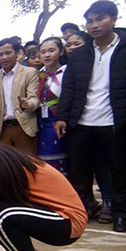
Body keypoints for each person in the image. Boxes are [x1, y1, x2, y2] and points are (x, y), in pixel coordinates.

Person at [55, 0, 126, 232]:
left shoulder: (123, 47)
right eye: (90, 21)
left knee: (118, 169)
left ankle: (120, 214)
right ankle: (80, 212)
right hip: (81, 121)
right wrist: (62, 117)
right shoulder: (80, 54)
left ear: (114, 20)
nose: (94, 25)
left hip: (114, 122)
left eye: (100, 19)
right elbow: (69, 88)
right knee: (79, 171)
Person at [0, 37, 40, 154]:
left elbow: (34, 99)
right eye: (1, 54)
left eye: (8, 53)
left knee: (29, 165)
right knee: (5, 168)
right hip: (2, 128)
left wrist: (27, 104)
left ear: (17, 53)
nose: (4, 57)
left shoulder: (30, 73)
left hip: (24, 127)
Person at [37, 37, 69, 175]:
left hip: (60, 122)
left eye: (51, 50)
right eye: (43, 52)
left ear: (61, 52)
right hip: (41, 124)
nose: (47, 55)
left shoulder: (67, 72)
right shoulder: (38, 75)